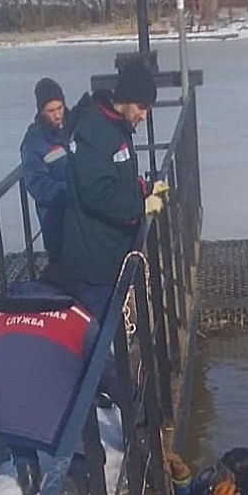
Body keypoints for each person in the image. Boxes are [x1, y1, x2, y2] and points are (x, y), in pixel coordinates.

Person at [0, 278, 108, 495]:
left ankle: (26, 468)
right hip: (52, 418)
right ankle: (78, 475)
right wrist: (135, 401)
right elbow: (106, 371)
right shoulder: (80, 317)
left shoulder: (3, 313)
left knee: (17, 388)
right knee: (78, 417)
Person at [58, 58, 165, 320]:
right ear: (126, 99)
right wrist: (141, 205)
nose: (144, 115)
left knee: (113, 326)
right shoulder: (95, 131)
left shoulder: (117, 127)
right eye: (141, 107)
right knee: (104, 334)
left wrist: (143, 188)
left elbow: (115, 179)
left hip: (111, 254)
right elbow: (97, 194)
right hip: (95, 263)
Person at [20, 77, 71, 268]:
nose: (58, 115)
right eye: (51, 111)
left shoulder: (74, 129)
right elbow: (37, 185)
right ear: (41, 112)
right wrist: (72, 192)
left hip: (83, 219)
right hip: (56, 222)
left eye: (60, 108)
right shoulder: (33, 143)